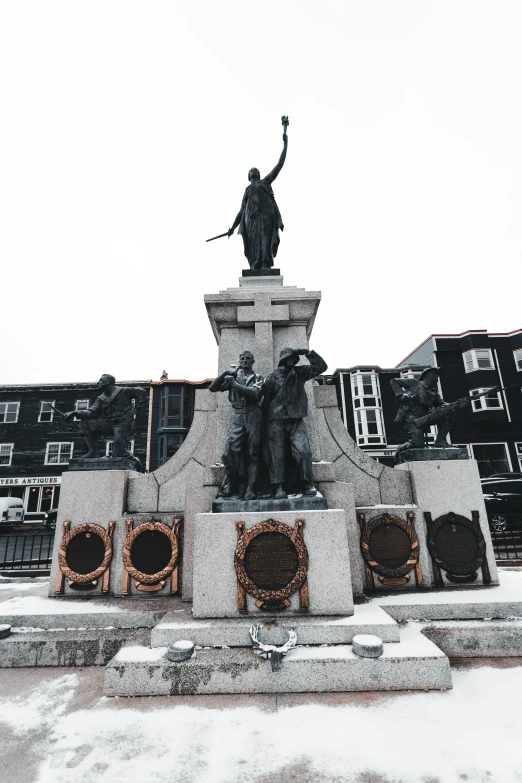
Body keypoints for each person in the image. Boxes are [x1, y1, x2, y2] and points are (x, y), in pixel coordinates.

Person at [262, 347, 327, 499]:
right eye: (289, 357)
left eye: (294, 357)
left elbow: (321, 367)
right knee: (276, 455)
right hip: (275, 420)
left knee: (304, 451)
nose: (292, 359)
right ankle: (278, 487)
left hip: (296, 419)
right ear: (283, 359)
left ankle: (307, 484)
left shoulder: (300, 373)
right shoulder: (272, 377)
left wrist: (307, 353)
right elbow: (266, 400)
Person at [228, 130, 287, 270]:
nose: (253, 171)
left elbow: (279, 165)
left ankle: (266, 264)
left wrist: (286, 144)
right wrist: (233, 227)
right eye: (251, 171)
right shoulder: (247, 190)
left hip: (266, 217)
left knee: (265, 240)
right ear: (249, 176)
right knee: (254, 244)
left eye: (255, 170)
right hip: (251, 220)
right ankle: (255, 265)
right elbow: (241, 211)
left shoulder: (265, 182)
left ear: (258, 175)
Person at [209, 351, 264, 500]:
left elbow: (255, 395)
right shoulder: (233, 376)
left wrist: (235, 385)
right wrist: (226, 373)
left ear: (253, 361)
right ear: (239, 361)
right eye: (242, 358)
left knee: (253, 453)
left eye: (248, 359)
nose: (245, 361)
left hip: (254, 414)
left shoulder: (258, 377)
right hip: (237, 414)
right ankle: (231, 485)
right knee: (229, 452)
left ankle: (251, 489)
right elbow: (212, 388)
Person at [63, 374, 145, 461]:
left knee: (118, 454)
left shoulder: (123, 391)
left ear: (108, 382)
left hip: (123, 424)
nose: (98, 382)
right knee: (85, 423)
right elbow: (92, 412)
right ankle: (92, 452)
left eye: (101, 380)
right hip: (110, 424)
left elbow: (141, 392)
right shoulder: (101, 398)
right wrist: (75, 413)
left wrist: (136, 409)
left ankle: (135, 459)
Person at [391, 368, 453, 464]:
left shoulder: (434, 392)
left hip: (425, 418)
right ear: (427, 376)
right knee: (417, 444)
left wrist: (452, 405)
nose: (436, 378)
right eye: (434, 375)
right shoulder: (414, 383)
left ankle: (441, 440)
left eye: (437, 376)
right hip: (411, 417)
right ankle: (399, 450)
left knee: (449, 411)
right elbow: (394, 381)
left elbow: (441, 404)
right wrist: (402, 395)